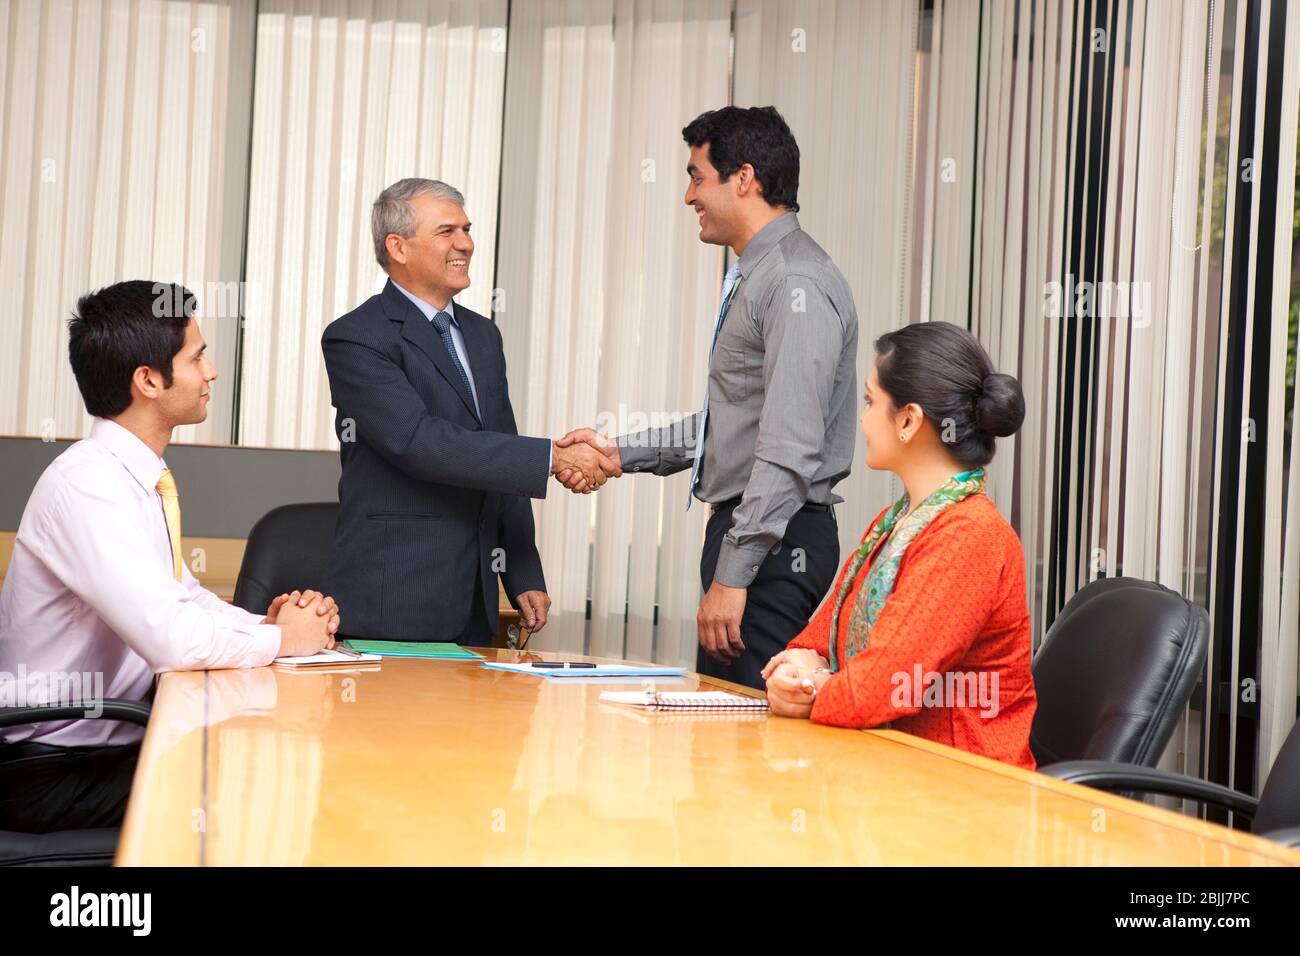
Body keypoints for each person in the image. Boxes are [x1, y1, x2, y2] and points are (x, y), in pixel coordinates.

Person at [0, 281, 338, 832]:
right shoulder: (88, 485)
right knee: (259, 779)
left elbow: (183, 597)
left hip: (109, 745)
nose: (211, 373)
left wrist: (266, 623)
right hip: (52, 770)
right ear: (149, 380)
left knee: (269, 760)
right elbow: (173, 639)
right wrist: (286, 640)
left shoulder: (130, 477)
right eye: (196, 356)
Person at [556, 107, 859, 690]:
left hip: (774, 541)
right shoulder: (763, 273)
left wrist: (734, 574)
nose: (687, 195)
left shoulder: (794, 282)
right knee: (724, 737)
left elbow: (790, 447)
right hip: (757, 535)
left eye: (697, 176)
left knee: (750, 742)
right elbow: (738, 423)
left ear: (743, 178)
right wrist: (620, 453)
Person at [321, 179, 619, 644]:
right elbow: (421, 443)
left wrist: (522, 571)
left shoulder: (482, 336)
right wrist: (554, 458)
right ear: (397, 247)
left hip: (475, 597)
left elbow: (500, 442)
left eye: (467, 228)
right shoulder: (357, 337)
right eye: (447, 231)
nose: (466, 243)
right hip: (394, 597)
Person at [761, 321, 1038, 770]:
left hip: (965, 791)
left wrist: (811, 689)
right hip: (894, 771)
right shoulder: (898, 523)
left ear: (908, 420)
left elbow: (882, 686)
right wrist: (793, 672)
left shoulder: (969, 537)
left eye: (871, 401)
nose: (863, 418)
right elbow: (818, 639)